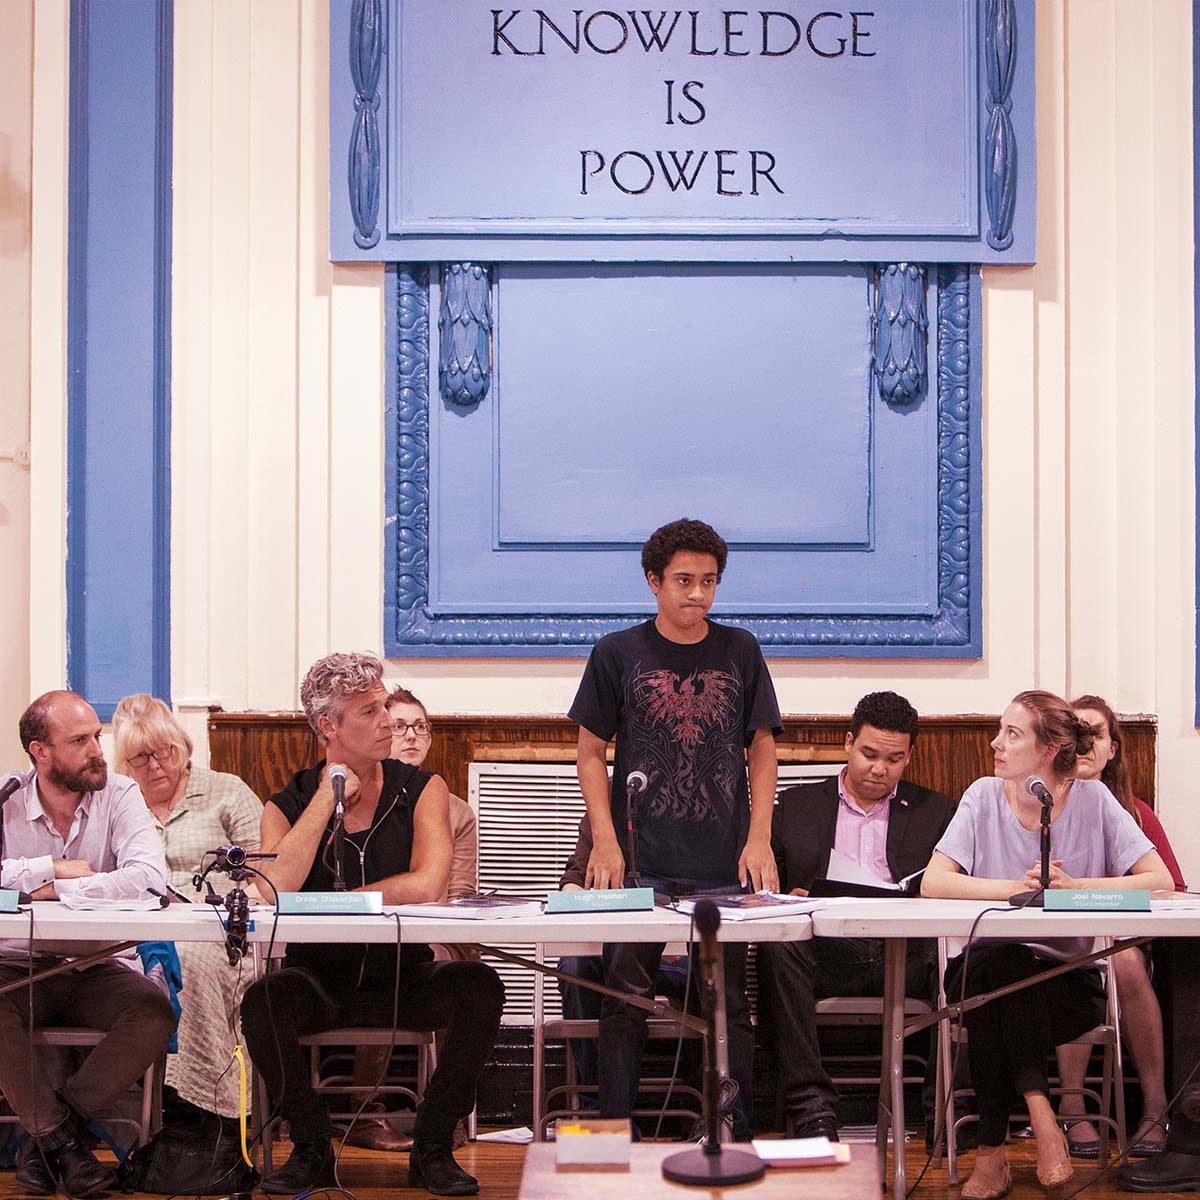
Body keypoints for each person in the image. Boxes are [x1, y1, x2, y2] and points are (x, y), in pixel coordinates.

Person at [239, 653, 503, 1197]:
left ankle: (431, 1144)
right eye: (369, 711)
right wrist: (324, 800)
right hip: (319, 982)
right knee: (261, 1001)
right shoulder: (286, 803)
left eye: (384, 705)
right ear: (328, 727)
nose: (388, 720)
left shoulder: (421, 788)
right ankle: (311, 1144)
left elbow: (428, 883)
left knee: (479, 986)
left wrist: (344, 903)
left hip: (404, 978)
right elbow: (270, 889)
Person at [568, 517, 781, 1140]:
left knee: (729, 1003)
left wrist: (760, 833)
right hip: (640, 859)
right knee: (624, 997)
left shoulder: (740, 649)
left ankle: (731, 1130)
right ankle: (614, 1135)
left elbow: (762, 746)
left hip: (723, 861)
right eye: (684, 580)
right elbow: (589, 751)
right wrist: (603, 840)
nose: (698, 595)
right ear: (654, 581)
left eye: (709, 582)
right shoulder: (616, 652)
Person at [921, 689, 1173, 1199]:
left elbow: (1159, 879)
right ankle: (1042, 1109)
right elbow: (934, 881)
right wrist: (1021, 894)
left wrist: (1074, 889)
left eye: (1011, 734)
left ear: (1047, 750)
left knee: (1003, 994)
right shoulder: (982, 794)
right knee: (1005, 964)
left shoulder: (1095, 799)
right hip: (979, 971)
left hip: (1063, 985)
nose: (995, 743)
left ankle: (991, 1156)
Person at [756, 690, 954, 1141]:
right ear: (848, 744)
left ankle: (938, 1110)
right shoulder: (796, 806)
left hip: (905, 952)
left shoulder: (935, 811)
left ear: (909, 757)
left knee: (958, 958)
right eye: (869, 754)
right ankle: (812, 1110)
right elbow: (765, 890)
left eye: (894, 759)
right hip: (827, 952)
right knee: (776, 947)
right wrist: (791, 898)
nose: (879, 769)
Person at [0, 691, 175, 1197]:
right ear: (41, 752)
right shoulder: (6, 798)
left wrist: (57, 890)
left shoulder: (119, 794)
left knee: (152, 1011)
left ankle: (53, 1143)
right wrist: (48, 869)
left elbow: (147, 878)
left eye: (96, 736)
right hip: (17, 967)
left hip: (94, 963)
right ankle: (64, 1146)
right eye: (79, 741)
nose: (98, 750)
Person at [110, 693, 263, 1125]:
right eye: (141, 758)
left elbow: (268, 877)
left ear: (183, 746)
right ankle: (111, 1114)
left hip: (219, 939)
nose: (156, 765)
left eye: (165, 752)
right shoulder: (119, 804)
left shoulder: (226, 791)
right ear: (124, 764)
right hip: (134, 935)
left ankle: (199, 1110)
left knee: (186, 961)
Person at [341, 685, 479, 1154]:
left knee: (462, 971)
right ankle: (364, 1109)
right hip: (369, 932)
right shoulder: (350, 800)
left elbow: (456, 892)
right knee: (386, 953)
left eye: (421, 726)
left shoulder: (456, 811)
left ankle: (445, 1114)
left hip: (435, 927)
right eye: (400, 726)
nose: (412, 735)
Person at [1055, 694, 1186, 1159]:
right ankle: (1072, 1106)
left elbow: (1170, 886)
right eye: (1078, 734)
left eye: (1097, 735)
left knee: (1125, 961)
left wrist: (1084, 890)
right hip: (1062, 942)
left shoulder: (1134, 811)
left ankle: (1154, 1106)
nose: (1086, 744)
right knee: (1073, 960)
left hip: (1126, 942)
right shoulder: (1045, 805)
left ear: (1114, 749)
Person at [554, 814, 694, 1115]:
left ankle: (698, 1105)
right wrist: (579, 897)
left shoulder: (685, 806)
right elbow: (572, 879)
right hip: (612, 951)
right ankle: (597, 1101)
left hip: (674, 952)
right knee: (574, 967)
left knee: (708, 974)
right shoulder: (602, 809)